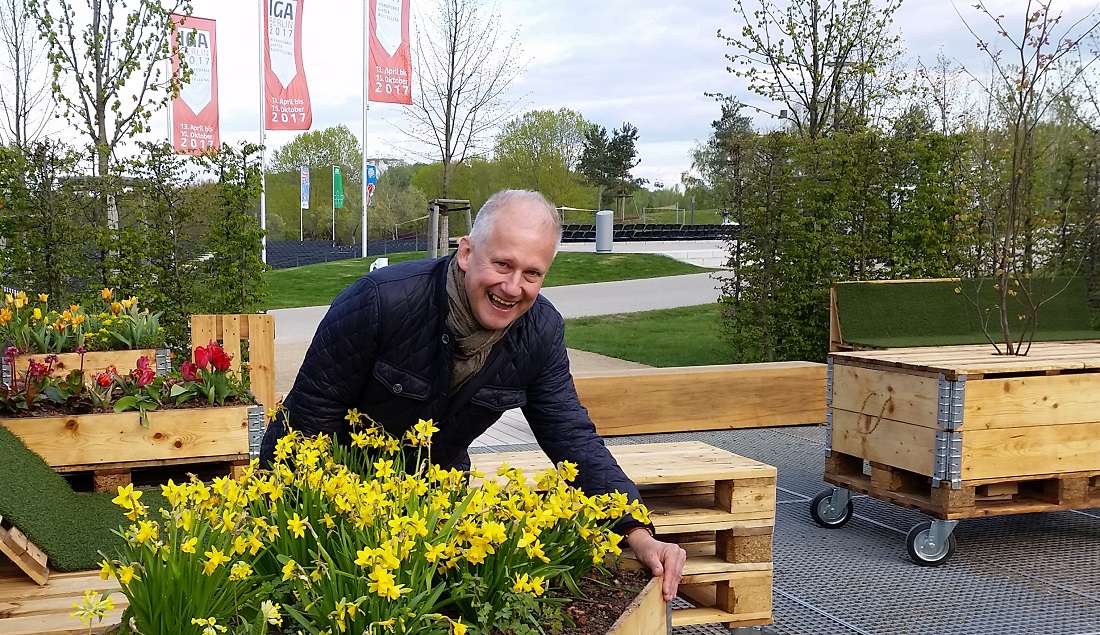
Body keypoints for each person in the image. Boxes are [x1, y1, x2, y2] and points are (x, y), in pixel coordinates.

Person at [260, 189, 686, 600]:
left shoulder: (540, 331)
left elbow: (570, 435)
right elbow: (308, 420)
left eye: (532, 273)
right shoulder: (378, 302)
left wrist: (637, 532)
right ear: (466, 253)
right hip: (336, 505)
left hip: (435, 513)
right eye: (502, 264)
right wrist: (315, 527)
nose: (513, 287)